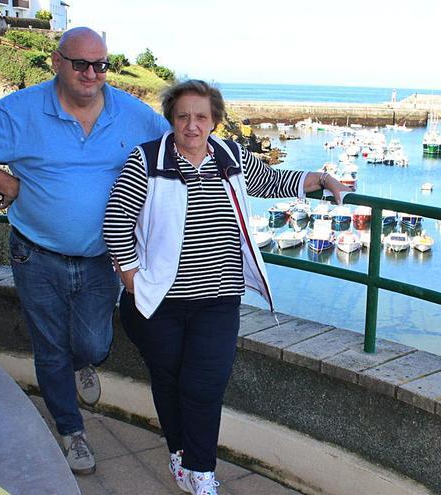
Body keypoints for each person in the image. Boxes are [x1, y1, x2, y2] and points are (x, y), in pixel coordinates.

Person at [0, 27, 171, 475]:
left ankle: (83, 362)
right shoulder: (22, 111)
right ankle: (72, 432)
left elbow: (180, 148)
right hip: (36, 254)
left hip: (104, 257)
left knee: (93, 341)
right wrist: (4, 181)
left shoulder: (133, 114)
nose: (91, 74)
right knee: (48, 348)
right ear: (56, 62)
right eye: (80, 64)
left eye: (101, 65)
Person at [103, 79, 349, 495]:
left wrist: (322, 179)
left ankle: (201, 472)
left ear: (215, 120)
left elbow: (273, 182)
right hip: (161, 300)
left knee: (204, 384)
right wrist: (130, 276)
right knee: (169, 379)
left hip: (219, 299)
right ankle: (179, 453)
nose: (192, 125)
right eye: (183, 116)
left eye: (201, 116)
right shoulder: (146, 160)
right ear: (172, 120)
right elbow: (116, 221)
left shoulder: (230, 156)